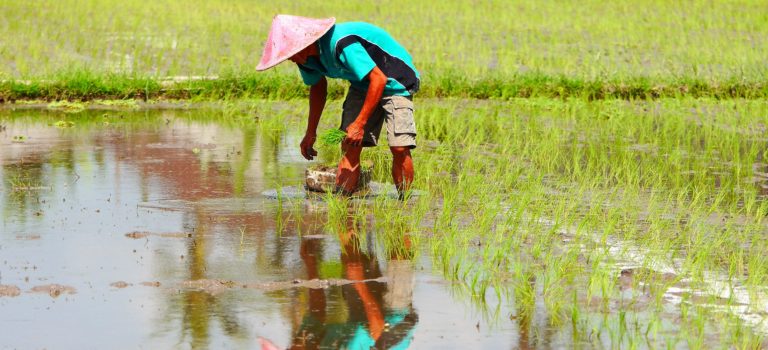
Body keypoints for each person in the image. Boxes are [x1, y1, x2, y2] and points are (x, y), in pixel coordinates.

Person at [257, 15, 420, 197]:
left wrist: (359, 124)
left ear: (303, 44)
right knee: (350, 145)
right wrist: (310, 132)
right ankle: (344, 206)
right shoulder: (304, 59)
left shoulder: (341, 43)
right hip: (362, 84)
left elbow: (379, 80)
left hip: (396, 80)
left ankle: (405, 205)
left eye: (289, 54)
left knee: (399, 147)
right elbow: (318, 88)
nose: (289, 60)